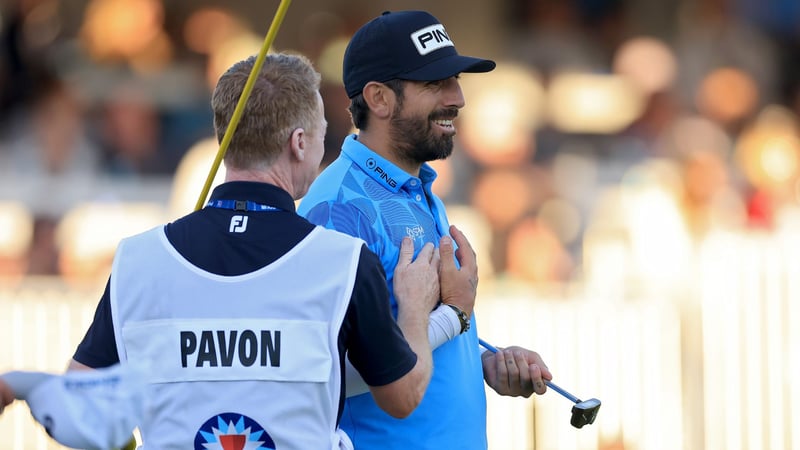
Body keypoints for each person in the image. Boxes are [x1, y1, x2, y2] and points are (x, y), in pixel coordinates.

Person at [65, 52, 454, 449]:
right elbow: (402, 397)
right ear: (299, 143)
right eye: (322, 134)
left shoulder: (139, 259)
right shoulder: (344, 261)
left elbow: (78, 398)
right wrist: (422, 311)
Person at [297, 10, 554, 449]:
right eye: (435, 84)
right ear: (378, 98)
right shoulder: (339, 206)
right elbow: (321, 371)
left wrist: (481, 362)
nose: (458, 98)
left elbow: (403, 334)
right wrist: (451, 317)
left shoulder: (413, 187)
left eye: (454, 80)